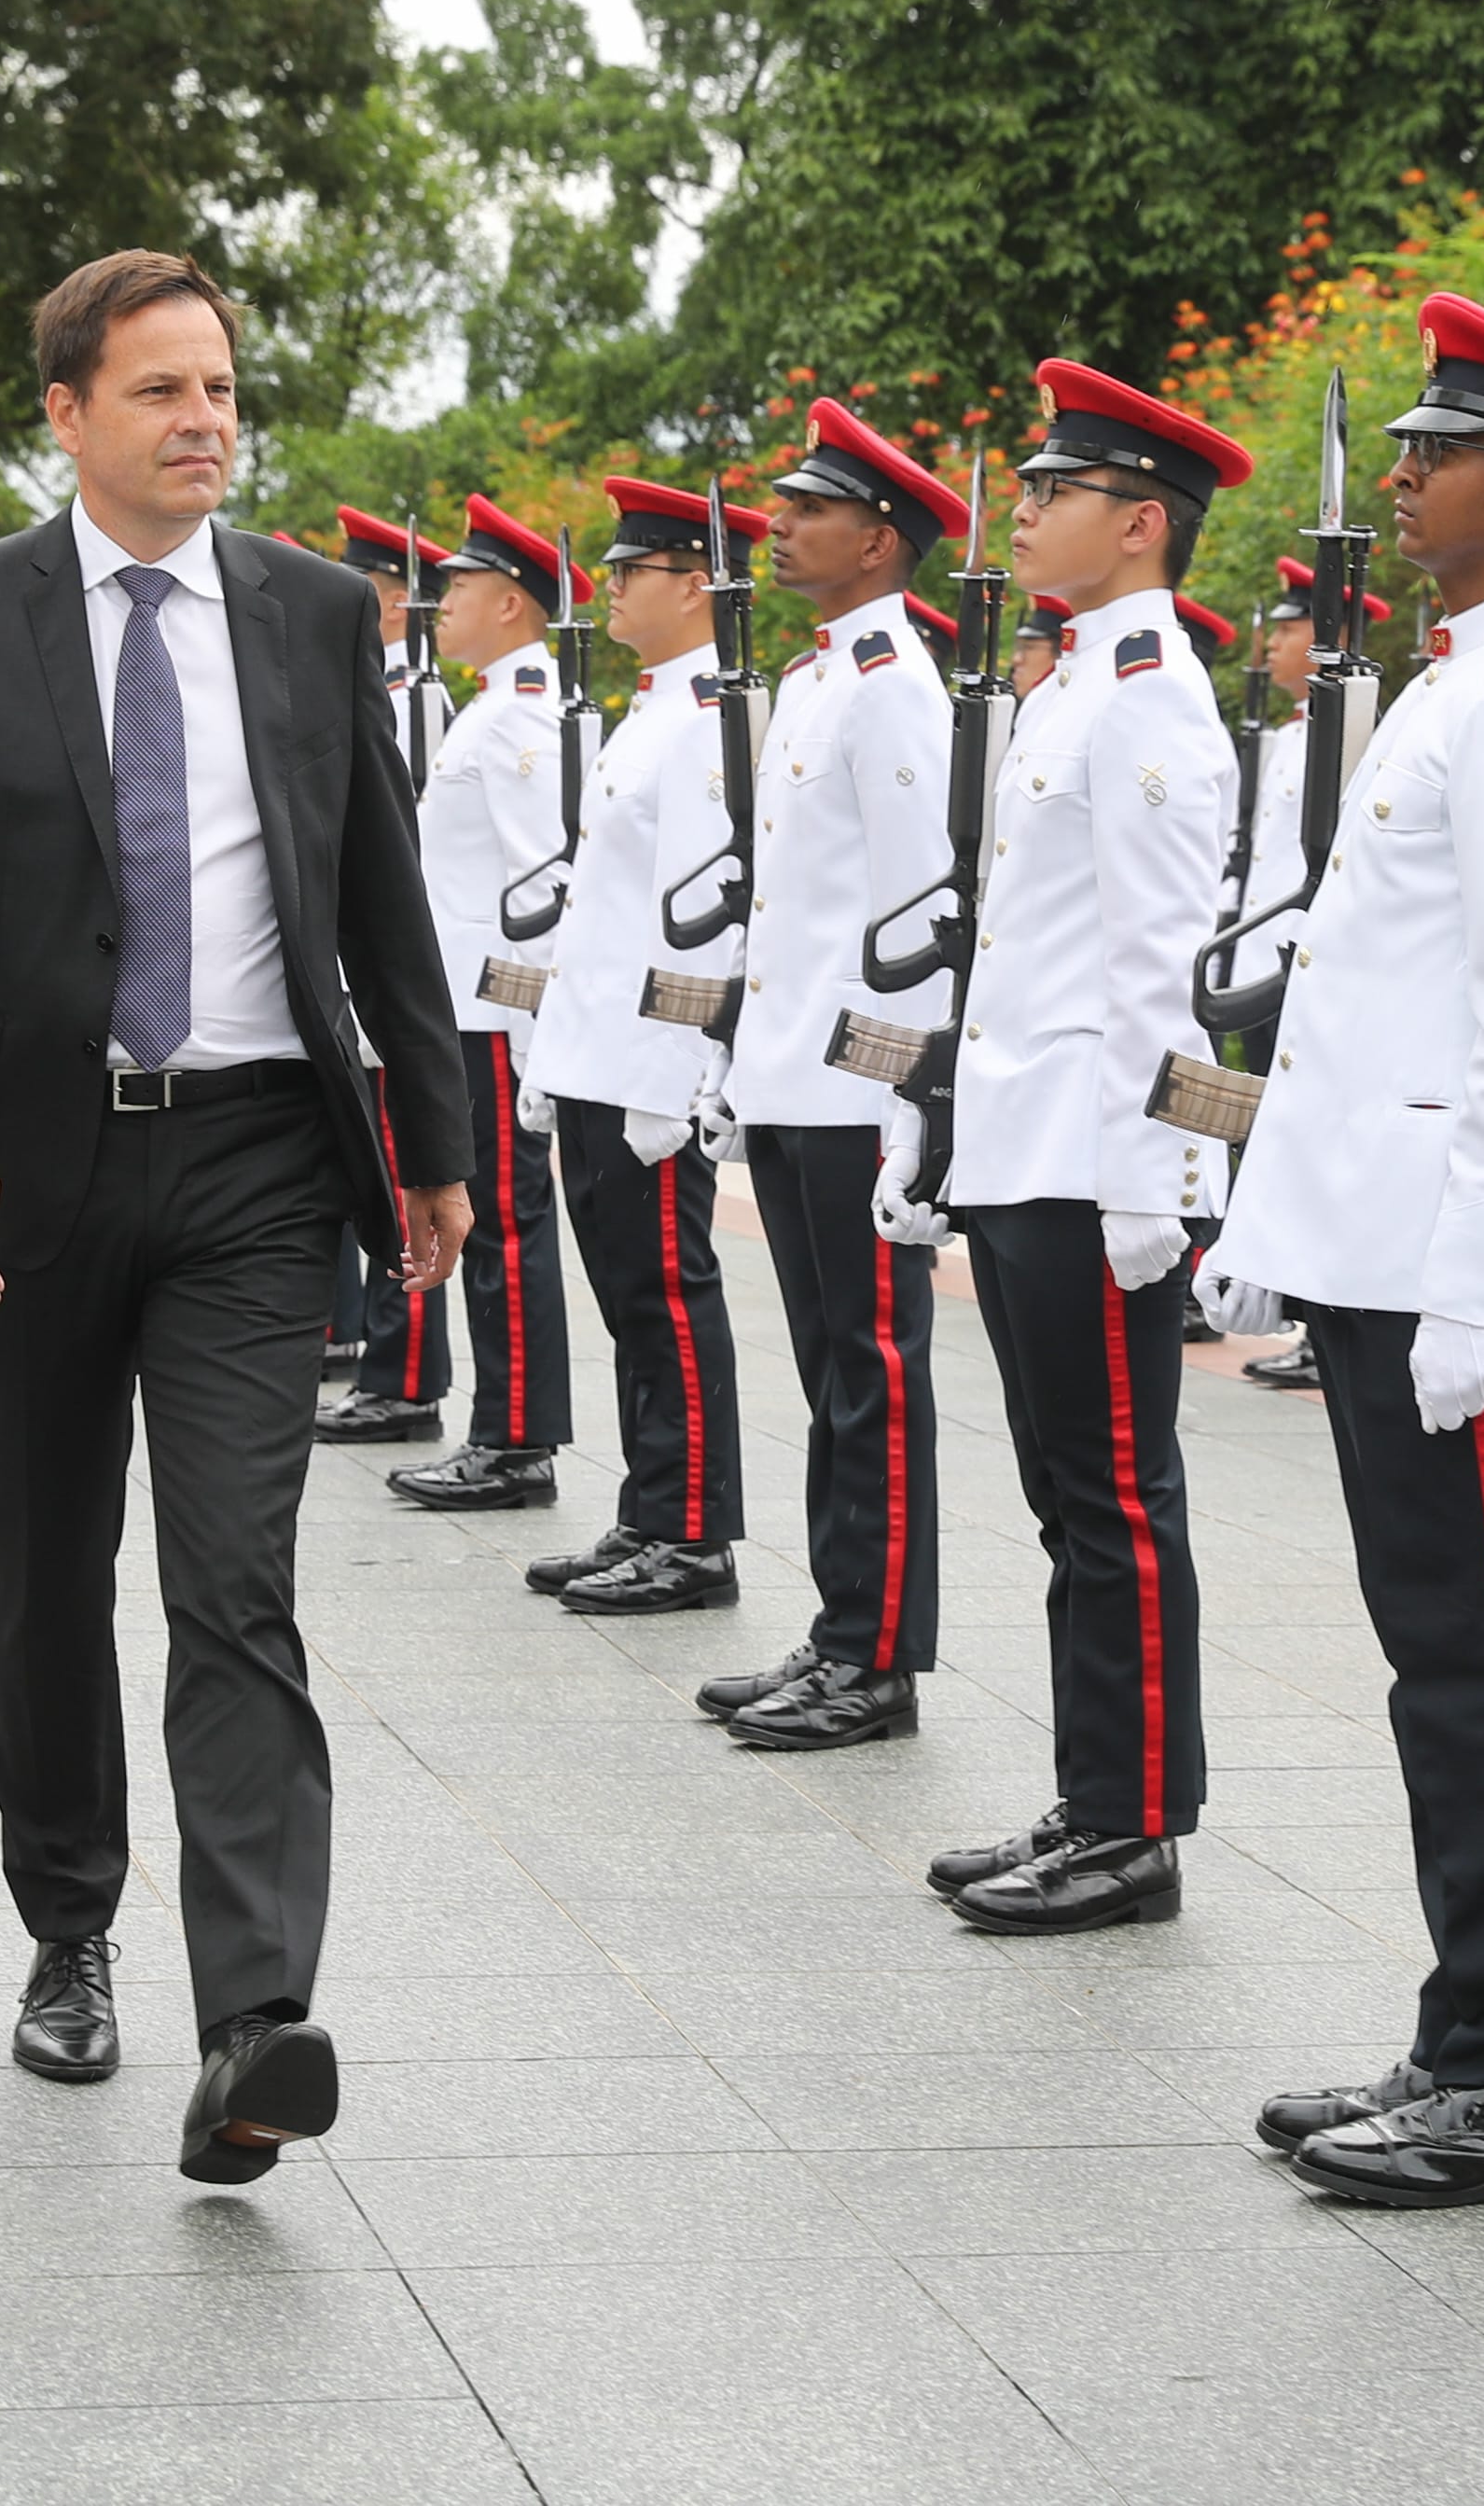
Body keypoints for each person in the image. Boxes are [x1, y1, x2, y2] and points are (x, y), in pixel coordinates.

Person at [0, 247, 472, 2184]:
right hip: (26, 1172)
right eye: (160, 392)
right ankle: (65, 1926)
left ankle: (258, 2024)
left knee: (234, 1578)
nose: (205, 420)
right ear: (65, 413)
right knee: (44, 1565)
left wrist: (431, 1140)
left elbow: (376, 886)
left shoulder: (306, 613)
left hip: (255, 1164)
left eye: (219, 388)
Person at [1200, 294, 1484, 2209]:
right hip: (1378, 1240)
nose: (1395, 479)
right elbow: (1363, 996)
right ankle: (1470, 2026)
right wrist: (1273, 1220)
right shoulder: (1459, 677)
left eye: (1432, 451)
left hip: (1448, 1263)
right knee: (1431, 1665)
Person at [908, 361, 1247, 1932]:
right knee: (1069, 1496)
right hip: (1030, 1146)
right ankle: (1093, 1790)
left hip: (1093, 1160)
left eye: (1053, 492)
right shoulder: (1072, 691)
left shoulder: (1157, 700)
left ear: (1138, 522)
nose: (1025, 510)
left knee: (1116, 1495)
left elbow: (1159, 964)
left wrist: (1155, 1181)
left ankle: (1135, 1827)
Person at [701, 402, 970, 1748]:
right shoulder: (818, 681)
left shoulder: (898, 689)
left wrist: (913, 1107)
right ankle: (835, 1626)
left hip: (860, 1096)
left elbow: (922, 916)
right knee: (828, 1373)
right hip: (798, 1079)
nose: (779, 525)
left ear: (877, 540)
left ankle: (876, 1657)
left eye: (806, 509)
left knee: (872, 1372)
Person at [517, 479, 765, 1617]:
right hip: (595, 1056)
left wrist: (679, 1069)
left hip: (643, 1068)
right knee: (626, 1298)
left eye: (632, 572)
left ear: (694, 587)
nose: (609, 588)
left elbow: (705, 916)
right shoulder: (652, 707)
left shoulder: (714, 719)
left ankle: (695, 1531)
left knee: (668, 1296)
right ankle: (650, 1504)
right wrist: (551, 1053)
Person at [390, 495, 583, 1511]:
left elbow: (541, 891)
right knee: (494, 1229)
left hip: (494, 1021)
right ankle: (501, 1428)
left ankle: (516, 1441)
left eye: (459, 586)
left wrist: (528, 1029)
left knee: (507, 1226)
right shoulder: (491, 704)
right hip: (467, 1015)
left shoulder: (518, 718)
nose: (442, 600)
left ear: (511, 603)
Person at [1224, 553, 1388, 1399]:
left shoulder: (1355, 729)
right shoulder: (1291, 735)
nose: (1276, 640)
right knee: (1265, 1126)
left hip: (1304, 961)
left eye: (1291, 626)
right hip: (1262, 951)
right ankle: (1284, 1292)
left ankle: (1314, 1315)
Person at [313, 502, 458, 1452]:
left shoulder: (417, 699)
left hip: (415, 984)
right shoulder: (381, 685)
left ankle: (404, 1376)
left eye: (360, 585)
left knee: (416, 1182)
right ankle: (384, 1359)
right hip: (354, 985)